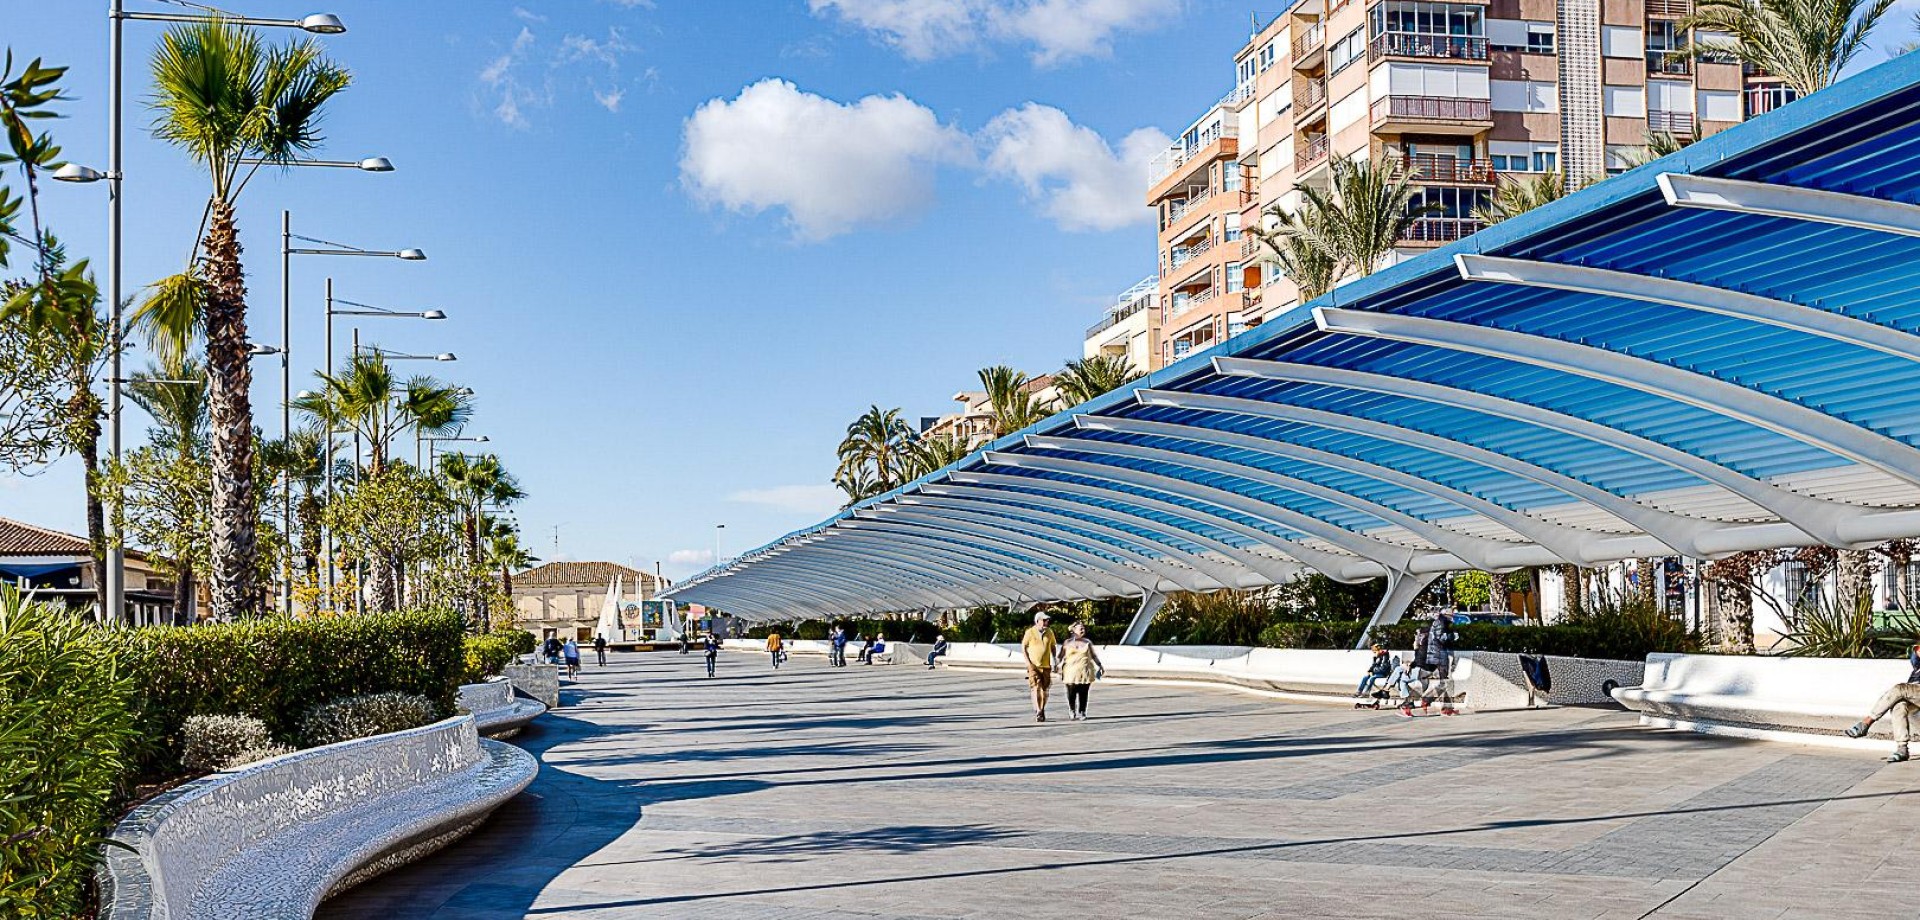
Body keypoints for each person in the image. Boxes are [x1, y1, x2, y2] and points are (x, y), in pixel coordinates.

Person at [1845, 642, 1920, 763]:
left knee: (1899, 689)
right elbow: (1914, 660)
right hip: (1914, 693)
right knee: (1899, 705)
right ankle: (1902, 748)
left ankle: (1866, 722)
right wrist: (1916, 651)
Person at [1403, 611, 1458, 717]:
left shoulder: (1441, 623)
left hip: (1436, 656)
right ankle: (1425, 700)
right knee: (1445, 682)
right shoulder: (1440, 623)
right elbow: (1441, 638)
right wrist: (1453, 636)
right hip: (1439, 656)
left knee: (1444, 682)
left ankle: (1447, 708)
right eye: (1450, 613)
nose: (1452, 614)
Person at [1058, 622, 1104, 721]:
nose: (1083, 630)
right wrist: (1055, 665)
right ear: (1073, 630)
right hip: (1070, 672)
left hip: (1085, 671)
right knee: (1071, 692)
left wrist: (1100, 665)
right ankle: (1072, 709)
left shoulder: (1087, 642)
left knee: (1084, 692)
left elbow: (1093, 655)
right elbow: (1060, 656)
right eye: (1080, 628)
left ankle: (1082, 711)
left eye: (1083, 628)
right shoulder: (1067, 643)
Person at [1021, 611, 1057, 722]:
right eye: (1044, 620)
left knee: (1045, 690)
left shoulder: (1049, 632)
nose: (1046, 622)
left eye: (1047, 620)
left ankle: (1041, 708)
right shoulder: (1030, 632)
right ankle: (1038, 711)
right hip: (1034, 666)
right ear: (1037, 621)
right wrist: (1028, 663)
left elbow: (1053, 646)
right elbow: (1023, 647)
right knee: (1036, 687)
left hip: (1046, 666)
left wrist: (1054, 660)